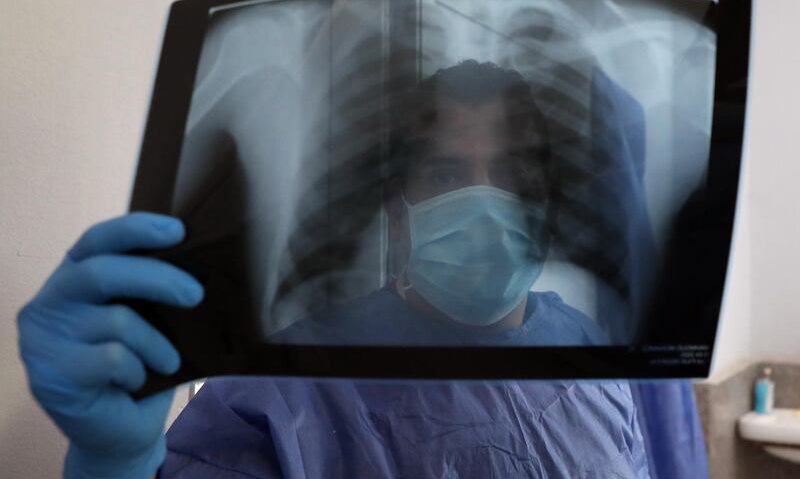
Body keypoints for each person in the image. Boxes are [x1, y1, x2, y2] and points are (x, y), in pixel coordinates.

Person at [17, 61, 700, 478]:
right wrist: (116, 468)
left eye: (514, 175)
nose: (487, 202)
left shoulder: (590, 351)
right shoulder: (291, 386)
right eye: (445, 172)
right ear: (398, 209)